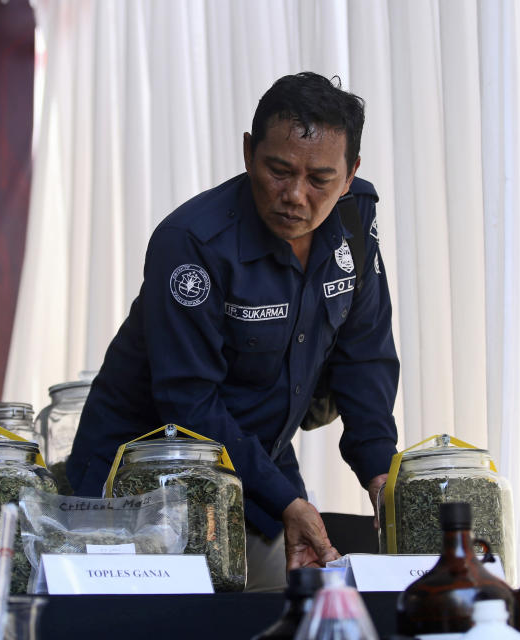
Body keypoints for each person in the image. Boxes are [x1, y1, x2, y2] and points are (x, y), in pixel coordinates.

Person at [66, 72, 399, 591]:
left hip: (258, 464)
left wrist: (382, 474)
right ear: (248, 153)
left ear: (352, 173)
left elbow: (366, 357)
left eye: (320, 180)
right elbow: (188, 400)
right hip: (139, 484)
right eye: (278, 170)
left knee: (285, 609)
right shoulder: (192, 242)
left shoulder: (353, 229)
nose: (294, 195)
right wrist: (285, 500)